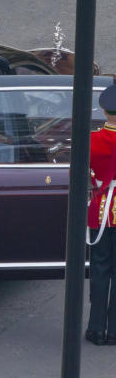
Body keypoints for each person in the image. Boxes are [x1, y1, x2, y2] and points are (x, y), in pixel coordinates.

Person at [86, 84, 116, 345]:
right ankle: (115, 329)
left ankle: (96, 328)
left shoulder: (93, 139)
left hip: (101, 211)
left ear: (105, 111)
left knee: (99, 268)